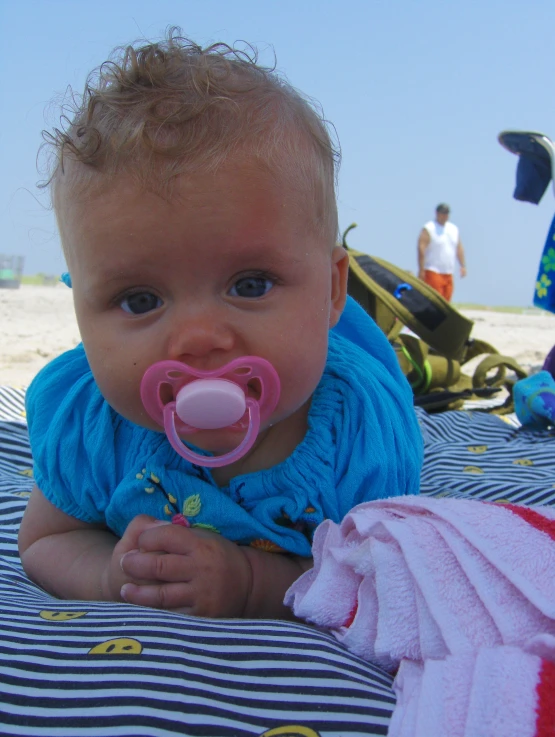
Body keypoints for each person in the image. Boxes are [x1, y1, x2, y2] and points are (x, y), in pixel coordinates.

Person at [18, 31, 423, 620]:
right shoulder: (90, 428)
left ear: (333, 288)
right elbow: (45, 541)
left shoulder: (362, 441)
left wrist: (253, 582)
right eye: (139, 299)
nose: (199, 338)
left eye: (250, 284)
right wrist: (109, 574)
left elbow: (384, 577)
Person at [417, 204, 467, 302]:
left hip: (448, 271)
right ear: (437, 213)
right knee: (436, 300)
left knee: (446, 300)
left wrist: (463, 265)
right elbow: (421, 248)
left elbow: (459, 247)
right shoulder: (429, 228)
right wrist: (421, 269)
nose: (444, 216)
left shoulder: (453, 229)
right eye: (442, 213)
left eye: (446, 214)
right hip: (433, 270)